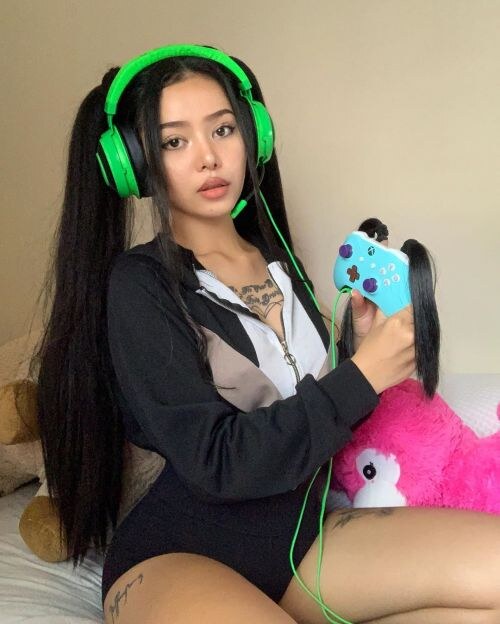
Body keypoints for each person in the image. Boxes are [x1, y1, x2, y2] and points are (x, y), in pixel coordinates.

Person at [32, 45, 500, 624]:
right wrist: (362, 375)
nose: (208, 157)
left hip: (304, 539)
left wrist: (355, 348)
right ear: (135, 163)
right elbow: (217, 463)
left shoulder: (279, 262)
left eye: (222, 129)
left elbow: (309, 412)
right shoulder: (139, 284)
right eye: (174, 141)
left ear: (254, 135)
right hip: (182, 555)